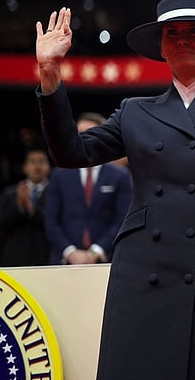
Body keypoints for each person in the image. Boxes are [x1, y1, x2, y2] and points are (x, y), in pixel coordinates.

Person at [34, 0, 195, 380]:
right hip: (142, 272)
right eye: (172, 33)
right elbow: (71, 152)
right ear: (161, 48)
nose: (183, 40)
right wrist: (51, 74)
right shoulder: (134, 112)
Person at [43, 112, 132, 265]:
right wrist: (70, 252)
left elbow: (122, 219)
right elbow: (51, 220)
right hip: (64, 261)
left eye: (89, 133)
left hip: (106, 261)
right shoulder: (59, 175)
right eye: (78, 134)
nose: (82, 139)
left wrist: (95, 252)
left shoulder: (120, 176)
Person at [0, 146, 52, 266]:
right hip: (15, 258)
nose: (37, 166)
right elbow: (1, 224)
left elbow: (55, 223)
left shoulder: (56, 192)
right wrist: (19, 205)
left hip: (46, 257)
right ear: (24, 168)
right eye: (32, 161)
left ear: (49, 167)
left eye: (42, 161)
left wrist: (31, 208)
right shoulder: (10, 193)